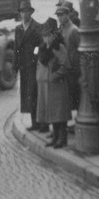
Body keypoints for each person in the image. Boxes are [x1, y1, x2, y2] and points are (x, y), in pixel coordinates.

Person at [35, 18, 71, 148]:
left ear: (52, 36)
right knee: (52, 113)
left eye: (48, 36)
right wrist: (40, 77)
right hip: (46, 85)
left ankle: (62, 138)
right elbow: (40, 64)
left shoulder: (58, 47)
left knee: (59, 113)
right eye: (44, 36)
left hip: (57, 85)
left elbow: (65, 65)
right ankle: (55, 137)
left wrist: (55, 76)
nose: (46, 39)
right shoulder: (43, 49)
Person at [13, 1, 43, 131]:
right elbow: (16, 48)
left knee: (34, 93)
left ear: (31, 13)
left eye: (26, 11)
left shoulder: (37, 27)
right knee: (27, 94)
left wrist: (36, 56)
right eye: (22, 12)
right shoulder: (18, 29)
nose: (24, 14)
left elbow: (41, 46)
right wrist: (15, 66)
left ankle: (39, 122)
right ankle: (34, 122)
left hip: (34, 65)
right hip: (23, 67)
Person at [55, 4, 80, 113]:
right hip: (64, 67)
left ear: (68, 15)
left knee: (74, 96)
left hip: (73, 69)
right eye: (58, 15)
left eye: (61, 15)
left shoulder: (74, 30)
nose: (59, 18)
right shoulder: (61, 29)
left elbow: (80, 49)